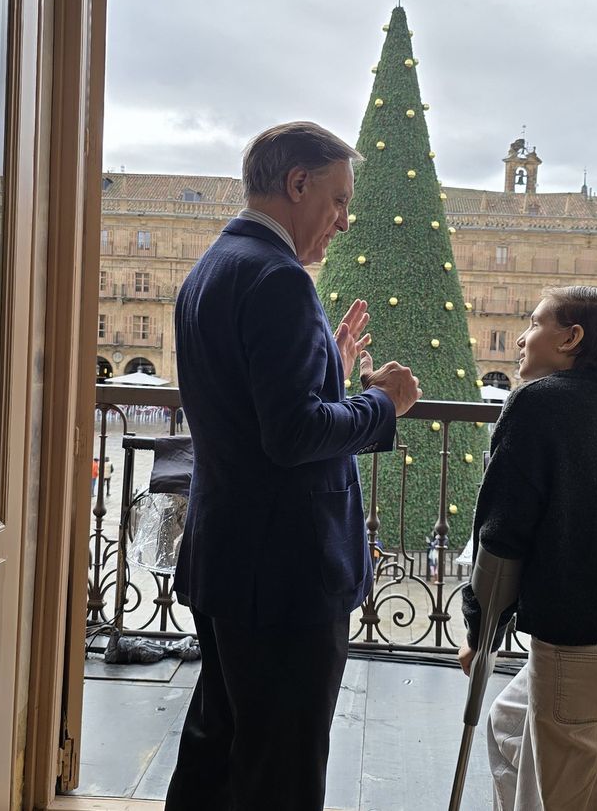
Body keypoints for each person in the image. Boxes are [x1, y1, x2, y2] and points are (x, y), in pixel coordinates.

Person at [165, 121, 422, 811]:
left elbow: (257, 415)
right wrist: (381, 402)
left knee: (215, 749)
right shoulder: (279, 279)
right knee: (281, 769)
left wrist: (328, 372)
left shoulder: (213, 266)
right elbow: (292, 434)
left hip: (229, 558)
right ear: (297, 183)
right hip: (284, 575)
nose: (342, 222)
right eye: (337, 201)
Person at [459, 286, 597, 811]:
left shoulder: (538, 403)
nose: (523, 337)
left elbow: (501, 537)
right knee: (510, 726)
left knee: (571, 800)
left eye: (535, 323)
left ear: (571, 338)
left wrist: (480, 628)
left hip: (579, 648)